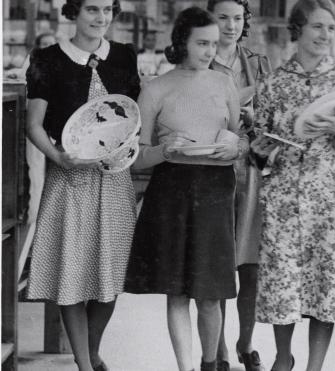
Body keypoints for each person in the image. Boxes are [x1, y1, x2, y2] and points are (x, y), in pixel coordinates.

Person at [251, 0, 335, 370]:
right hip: (285, 195)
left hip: (333, 198)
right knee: (283, 280)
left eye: (332, 28)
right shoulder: (274, 82)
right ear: (298, 29)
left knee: (328, 282)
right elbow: (258, 143)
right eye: (318, 27)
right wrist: (261, 151)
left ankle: (315, 365)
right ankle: (283, 357)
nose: (326, 35)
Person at [123, 7, 241, 371]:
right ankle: (185, 368)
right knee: (176, 290)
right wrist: (164, 150)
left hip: (216, 190)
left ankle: (209, 364)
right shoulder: (156, 88)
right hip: (171, 191)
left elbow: (239, 139)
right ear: (181, 43)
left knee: (209, 293)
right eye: (202, 43)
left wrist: (235, 147)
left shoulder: (225, 84)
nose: (210, 51)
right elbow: (136, 157)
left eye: (214, 44)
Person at [24, 1, 140, 370]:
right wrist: (58, 158)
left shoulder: (124, 56)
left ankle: (91, 350)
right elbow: (34, 125)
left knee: (114, 270)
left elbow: (133, 115)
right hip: (69, 179)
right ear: (74, 11)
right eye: (92, 8)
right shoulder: (47, 58)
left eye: (107, 9)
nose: (101, 17)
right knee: (69, 270)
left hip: (114, 179)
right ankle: (84, 364)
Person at [206, 1, 271, 370]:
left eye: (237, 18)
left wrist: (255, 119)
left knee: (251, 265)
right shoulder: (200, 58)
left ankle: (246, 344)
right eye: (222, 17)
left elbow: (274, 116)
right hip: (213, 171)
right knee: (218, 266)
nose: (230, 26)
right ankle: (219, 351)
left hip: (250, 171)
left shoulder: (258, 64)